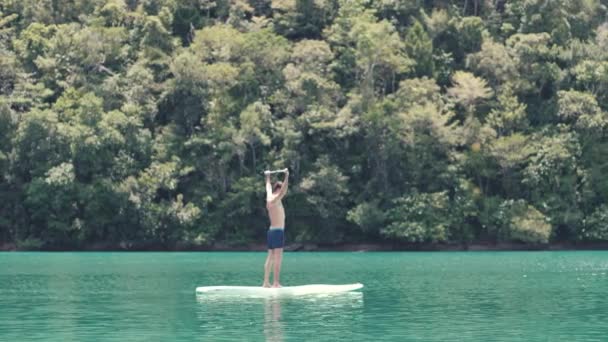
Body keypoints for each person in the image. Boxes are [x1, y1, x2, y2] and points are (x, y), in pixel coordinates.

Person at [263, 168, 289, 288]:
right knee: (278, 258)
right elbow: (284, 190)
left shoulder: (269, 197)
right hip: (278, 231)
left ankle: (266, 282)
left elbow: (268, 186)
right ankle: (276, 283)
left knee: (270, 257)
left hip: (271, 231)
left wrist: (267, 176)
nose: (282, 194)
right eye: (280, 191)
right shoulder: (276, 198)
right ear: (278, 190)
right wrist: (287, 176)